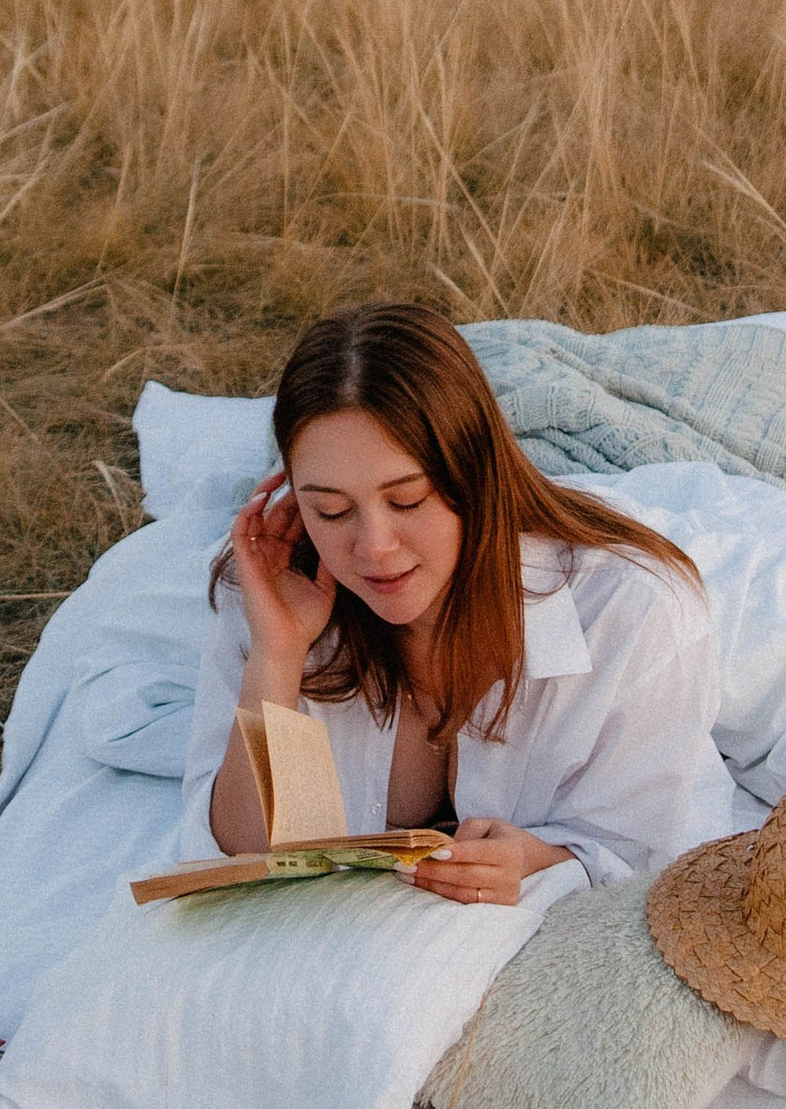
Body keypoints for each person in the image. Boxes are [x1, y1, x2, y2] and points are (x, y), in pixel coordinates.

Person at [175, 301, 736, 904]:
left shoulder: (633, 612)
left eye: (408, 500)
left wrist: (543, 859)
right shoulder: (274, 584)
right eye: (331, 510)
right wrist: (277, 658)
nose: (373, 549)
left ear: (472, 474)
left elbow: (654, 857)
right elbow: (241, 855)